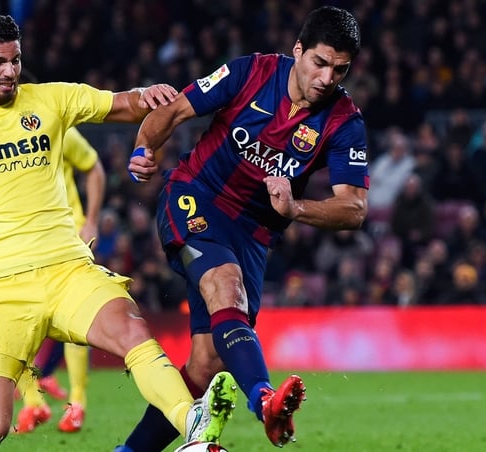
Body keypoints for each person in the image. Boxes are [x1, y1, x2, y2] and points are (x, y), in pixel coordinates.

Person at [0, 12, 238, 452]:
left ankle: (193, 425)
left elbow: (122, 105)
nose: (10, 71)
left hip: (68, 270)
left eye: (15, 60)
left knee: (133, 332)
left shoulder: (50, 99)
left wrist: (150, 95)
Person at [122, 5, 368, 450]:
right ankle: (265, 402)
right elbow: (175, 110)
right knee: (226, 283)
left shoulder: (344, 121)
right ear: (298, 50)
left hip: (254, 234)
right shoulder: (251, 73)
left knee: (208, 363)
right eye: (320, 63)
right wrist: (144, 148)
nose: (327, 78)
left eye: (340, 69)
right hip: (196, 196)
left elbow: (354, 208)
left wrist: (296, 209)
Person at [14, 126, 105, 434]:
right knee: (16, 325)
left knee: (75, 321)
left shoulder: (57, 127)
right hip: (21, 243)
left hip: (68, 237)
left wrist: (91, 221)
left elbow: (93, 166)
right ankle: (32, 402)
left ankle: (77, 404)